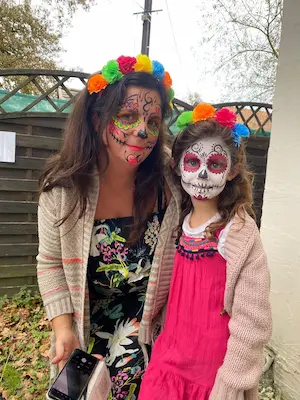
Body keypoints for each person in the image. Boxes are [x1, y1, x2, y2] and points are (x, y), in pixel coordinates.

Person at [36, 54, 180, 399]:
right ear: (98, 118)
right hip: (89, 323)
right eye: (128, 116)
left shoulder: (172, 183)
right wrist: (63, 327)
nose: (142, 130)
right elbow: (51, 262)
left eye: (153, 120)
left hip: (150, 325)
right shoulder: (62, 190)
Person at [139, 103, 272, 399]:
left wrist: (231, 379)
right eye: (192, 163)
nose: (201, 175)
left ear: (232, 170)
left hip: (211, 375)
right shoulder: (174, 222)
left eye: (214, 165)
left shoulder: (239, 234)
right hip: (168, 360)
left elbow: (253, 319)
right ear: (176, 166)